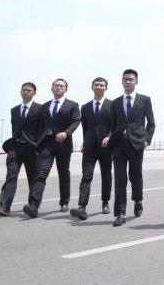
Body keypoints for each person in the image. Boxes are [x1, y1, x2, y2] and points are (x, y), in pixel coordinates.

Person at [23, 78, 80, 218]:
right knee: (41, 173)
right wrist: (35, 142)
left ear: (66, 89)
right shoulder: (44, 106)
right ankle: (33, 205)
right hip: (46, 144)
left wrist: (66, 133)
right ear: (51, 88)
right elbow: (38, 125)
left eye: (61, 86)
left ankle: (64, 201)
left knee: (63, 173)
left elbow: (76, 121)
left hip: (63, 144)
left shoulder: (72, 105)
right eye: (56, 85)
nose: (58, 88)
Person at [108, 69, 156, 226]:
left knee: (135, 176)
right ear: (122, 82)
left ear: (136, 81)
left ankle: (138, 200)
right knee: (120, 178)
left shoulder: (144, 100)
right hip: (119, 145)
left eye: (131, 79)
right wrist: (109, 137)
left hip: (136, 144)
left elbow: (151, 123)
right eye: (125, 79)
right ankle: (120, 213)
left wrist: (147, 140)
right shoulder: (115, 102)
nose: (128, 81)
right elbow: (113, 124)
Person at [0, 82, 43, 216]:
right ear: (21, 92)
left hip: (32, 148)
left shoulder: (40, 109)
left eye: (29, 90)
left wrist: (38, 146)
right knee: (11, 176)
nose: (26, 92)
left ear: (34, 93)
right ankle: (4, 207)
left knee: (33, 178)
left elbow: (42, 129)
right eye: (24, 90)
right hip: (15, 148)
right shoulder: (14, 110)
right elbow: (14, 129)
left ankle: (32, 206)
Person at [70, 77, 113, 220]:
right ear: (92, 87)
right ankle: (82, 206)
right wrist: (85, 142)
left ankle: (105, 202)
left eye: (102, 85)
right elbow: (85, 127)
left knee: (106, 175)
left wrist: (109, 137)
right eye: (96, 85)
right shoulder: (85, 107)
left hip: (106, 147)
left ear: (106, 88)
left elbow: (115, 125)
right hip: (90, 147)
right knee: (86, 176)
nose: (99, 87)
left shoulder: (112, 105)